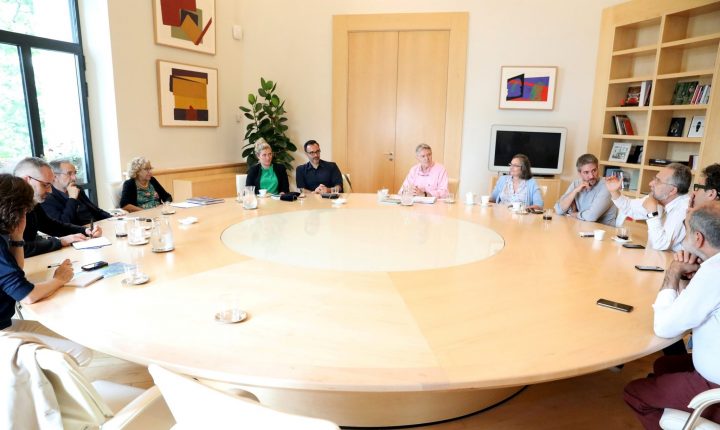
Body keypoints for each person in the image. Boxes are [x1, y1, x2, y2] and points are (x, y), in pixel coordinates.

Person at [624, 202, 720, 428]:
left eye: (686, 230)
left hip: (713, 385)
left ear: (698, 238)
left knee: (634, 393)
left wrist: (674, 272)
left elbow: (664, 327)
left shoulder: (713, 273)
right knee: (664, 365)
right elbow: (695, 310)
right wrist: (688, 280)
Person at [0, 174, 92, 365]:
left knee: (77, 341)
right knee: (79, 352)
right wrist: (59, 279)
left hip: (5, 322)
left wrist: (17, 237)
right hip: (3, 332)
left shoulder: (4, 236)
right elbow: (27, 295)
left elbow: (17, 269)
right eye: (24, 210)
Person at [13, 158, 101, 258]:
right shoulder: (7, 207)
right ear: (26, 180)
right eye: (45, 185)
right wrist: (60, 241)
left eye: (50, 185)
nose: (50, 191)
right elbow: (17, 248)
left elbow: (51, 225)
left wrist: (85, 231)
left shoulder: (31, 201)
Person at [606, 163, 691, 252]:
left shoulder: (684, 209)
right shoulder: (659, 198)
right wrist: (614, 192)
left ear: (672, 190)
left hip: (667, 259)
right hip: (653, 255)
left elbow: (660, 244)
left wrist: (652, 212)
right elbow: (629, 207)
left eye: (658, 181)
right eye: (654, 178)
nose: (650, 183)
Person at [41, 159, 112, 225]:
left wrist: (112, 218)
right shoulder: (47, 198)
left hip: (96, 226)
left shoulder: (77, 188)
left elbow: (95, 211)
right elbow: (63, 224)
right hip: (81, 231)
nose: (74, 178)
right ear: (54, 177)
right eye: (69, 173)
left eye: (75, 173)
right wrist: (72, 199)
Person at [554, 154, 617, 226]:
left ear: (598, 169)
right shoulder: (576, 183)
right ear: (579, 173)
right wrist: (574, 192)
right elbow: (559, 210)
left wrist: (574, 214)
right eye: (586, 172)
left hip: (604, 230)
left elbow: (591, 216)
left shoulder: (607, 186)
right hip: (582, 227)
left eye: (594, 170)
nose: (591, 176)